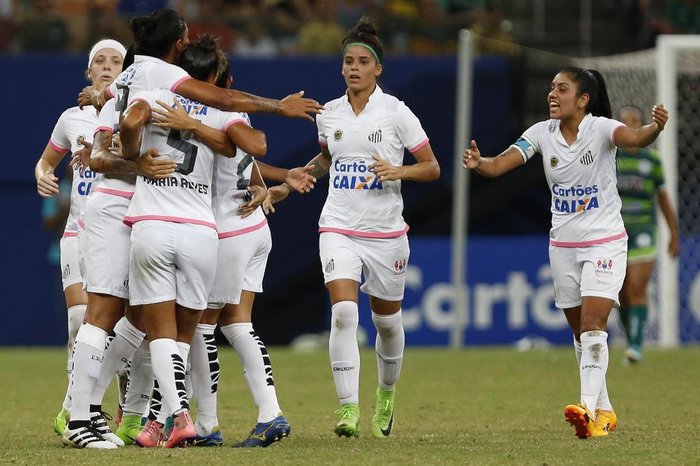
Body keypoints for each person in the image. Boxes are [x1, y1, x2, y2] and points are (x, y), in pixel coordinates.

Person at [462, 67, 669, 439]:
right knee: (580, 333)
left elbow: (636, 138)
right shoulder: (541, 134)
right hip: (563, 246)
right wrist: (482, 164)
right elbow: (501, 164)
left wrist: (655, 128)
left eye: (562, 88)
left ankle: (587, 409)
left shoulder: (602, 128)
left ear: (583, 99)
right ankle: (604, 409)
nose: (552, 95)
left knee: (593, 326)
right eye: (551, 88)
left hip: (604, 241)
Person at [267, 16, 440, 439]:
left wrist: (398, 171)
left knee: (386, 324)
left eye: (363, 61)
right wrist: (292, 182)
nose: (354, 68)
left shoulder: (396, 112)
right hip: (339, 225)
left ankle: (385, 394)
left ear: (378, 68)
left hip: (385, 232)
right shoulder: (329, 114)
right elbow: (327, 160)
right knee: (344, 313)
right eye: (348, 61)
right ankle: (348, 409)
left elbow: (432, 168)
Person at [33, 38, 126, 445]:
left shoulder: (133, 115)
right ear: (88, 72)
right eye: (99, 62)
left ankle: (114, 406)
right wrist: (42, 174)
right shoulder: (71, 118)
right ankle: (79, 408)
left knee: (119, 326)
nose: (107, 67)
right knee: (79, 320)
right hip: (79, 231)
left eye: (116, 61)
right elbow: (46, 160)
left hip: (122, 230)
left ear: (126, 71)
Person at [78, 9, 323, 121]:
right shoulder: (164, 72)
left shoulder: (129, 72)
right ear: (177, 44)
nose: (188, 43)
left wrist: (93, 93)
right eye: (185, 38)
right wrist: (280, 106)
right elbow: (223, 99)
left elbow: (101, 96)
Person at [616, 105, 680, 364]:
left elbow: (663, 198)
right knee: (620, 292)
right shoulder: (611, 156)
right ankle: (631, 337)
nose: (630, 124)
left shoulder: (651, 160)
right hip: (614, 230)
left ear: (642, 124)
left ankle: (636, 347)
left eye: (635, 120)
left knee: (637, 286)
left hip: (644, 228)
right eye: (624, 121)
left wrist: (674, 234)